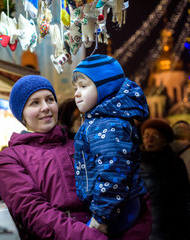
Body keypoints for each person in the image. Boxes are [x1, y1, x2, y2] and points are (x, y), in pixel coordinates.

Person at [0, 75, 152, 240]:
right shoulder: (9, 159)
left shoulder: (81, 144)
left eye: (49, 99)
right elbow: (35, 213)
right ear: (21, 114)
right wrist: (93, 237)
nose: (46, 107)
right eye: (35, 103)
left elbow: (127, 188)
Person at [71, 54, 150, 237]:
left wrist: (101, 217)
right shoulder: (100, 120)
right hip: (112, 208)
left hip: (116, 211)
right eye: (75, 87)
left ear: (105, 87)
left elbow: (113, 173)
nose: (76, 93)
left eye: (84, 86)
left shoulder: (108, 125)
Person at [140, 118, 190, 240]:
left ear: (165, 140)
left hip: (174, 228)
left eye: (155, 135)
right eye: (146, 135)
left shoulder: (176, 163)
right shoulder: (137, 164)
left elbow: (185, 197)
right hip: (148, 229)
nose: (149, 139)